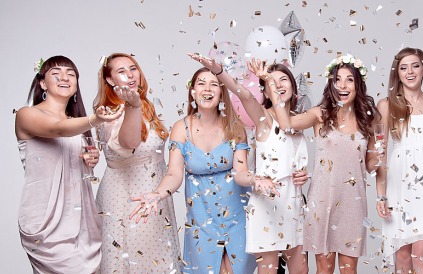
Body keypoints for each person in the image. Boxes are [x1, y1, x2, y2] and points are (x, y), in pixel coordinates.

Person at [188, 53, 310, 274]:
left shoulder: (298, 121)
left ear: (293, 86)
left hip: (293, 201)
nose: (278, 84)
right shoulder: (263, 118)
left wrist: (304, 173)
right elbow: (240, 92)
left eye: (284, 79)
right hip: (266, 202)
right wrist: (217, 71)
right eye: (271, 81)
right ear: (264, 90)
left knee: (300, 269)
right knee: (268, 269)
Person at [129, 66, 258, 273]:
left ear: (221, 93)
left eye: (214, 84)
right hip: (201, 220)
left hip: (236, 217)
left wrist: (255, 179)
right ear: (193, 92)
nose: (208, 89)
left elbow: (241, 172)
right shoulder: (181, 128)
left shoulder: (235, 127)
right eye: (201, 83)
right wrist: (157, 194)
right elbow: (174, 173)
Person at [267, 53, 381, 274]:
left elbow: (370, 165)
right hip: (321, 200)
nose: (342, 85)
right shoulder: (320, 115)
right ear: (331, 83)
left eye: (349, 79)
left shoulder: (368, 119)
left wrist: (379, 157)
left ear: (358, 84)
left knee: (349, 270)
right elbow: (286, 123)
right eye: (337, 79)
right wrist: (273, 85)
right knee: (324, 269)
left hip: (353, 203)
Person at [15, 55, 123, 273]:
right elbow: (57, 129)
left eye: (71, 74)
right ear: (43, 83)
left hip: (82, 218)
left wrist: (91, 159)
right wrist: (96, 119)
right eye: (56, 73)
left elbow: (78, 160)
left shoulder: (78, 123)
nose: (64, 78)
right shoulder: (27, 114)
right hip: (47, 219)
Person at [94, 53, 181, 272]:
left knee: (156, 259)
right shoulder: (110, 112)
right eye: (121, 72)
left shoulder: (145, 106)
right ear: (110, 80)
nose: (130, 75)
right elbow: (129, 141)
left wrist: (136, 104)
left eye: (133, 69)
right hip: (125, 198)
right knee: (129, 260)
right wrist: (132, 105)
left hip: (154, 194)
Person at [374, 47, 423, 274]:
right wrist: (381, 195)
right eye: (403, 67)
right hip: (399, 188)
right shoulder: (386, 105)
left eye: (415, 66)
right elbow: (381, 156)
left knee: (421, 256)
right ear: (396, 73)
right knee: (403, 258)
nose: (410, 72)